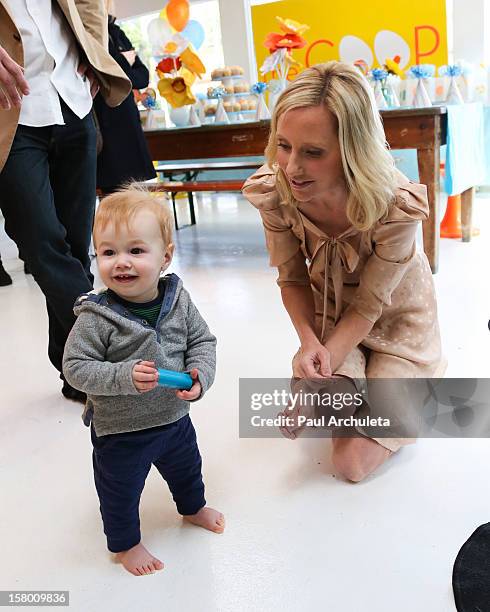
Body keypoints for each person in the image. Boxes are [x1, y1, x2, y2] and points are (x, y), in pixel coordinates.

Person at [242, 61, 446, 483]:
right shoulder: (276, 191)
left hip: (395, 324)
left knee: (350, 465)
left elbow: (371, 305)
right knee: (332, 393)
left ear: (353, 151)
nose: (291, 167)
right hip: (332, 315)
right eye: (284, 145)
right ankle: (340, 389)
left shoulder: (396, 206)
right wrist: (310, 345)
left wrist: (318, 369)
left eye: (313, 152)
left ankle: (413, 383)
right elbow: (293, 278)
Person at [62, 186, 224, 576]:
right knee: (119, 492)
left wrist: (201, 378)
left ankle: (192, 507)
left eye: (136, 251)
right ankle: (126, 545)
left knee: (188, 470)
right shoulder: (96, 318)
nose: (122, 263)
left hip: (174, 418)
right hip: (121, 431)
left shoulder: (178, 300)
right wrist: (122, 375)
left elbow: (202, 341)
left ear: (165, 256)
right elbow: (76, 368)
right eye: (108, 252)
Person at [0, 1, 131, 401]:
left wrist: (94, 49)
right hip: (10, 113)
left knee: (75, 247)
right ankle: (115, 341)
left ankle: (75, 371)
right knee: (41, 244)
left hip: (72, 102)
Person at [94, 5, 156, 195]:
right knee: (113, 197)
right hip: (106, 121)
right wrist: (125, 62)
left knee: (136, 193)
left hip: (129, 121)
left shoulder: (117, 32)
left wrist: (122, 66)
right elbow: (109, 74)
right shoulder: (93, 32)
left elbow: (142, 76)